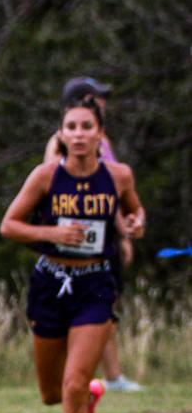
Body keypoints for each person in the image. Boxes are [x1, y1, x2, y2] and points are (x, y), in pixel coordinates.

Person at [1, 95, 144, 413]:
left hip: (96, 284)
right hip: (51, 282)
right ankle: (91, 397)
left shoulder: (118, 176)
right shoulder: (46, 177)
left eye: (86, 127)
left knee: (74, 386)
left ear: (100, 134)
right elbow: (8, 225)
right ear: (61, 134)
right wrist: (52, 235)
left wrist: (135, 224)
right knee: (52, 394)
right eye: (72, 127)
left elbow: (134, 213)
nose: (79, 134)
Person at [43, 75, 146, 389]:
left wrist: (124, 233)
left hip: (104, 234)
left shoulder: (104, 143)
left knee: (105, 305)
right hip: (74, 238)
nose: (102, 103)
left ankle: (109, 376)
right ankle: (81, 374)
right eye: (96, 98)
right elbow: (53, 184)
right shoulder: (59, 143)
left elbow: (112, 192)